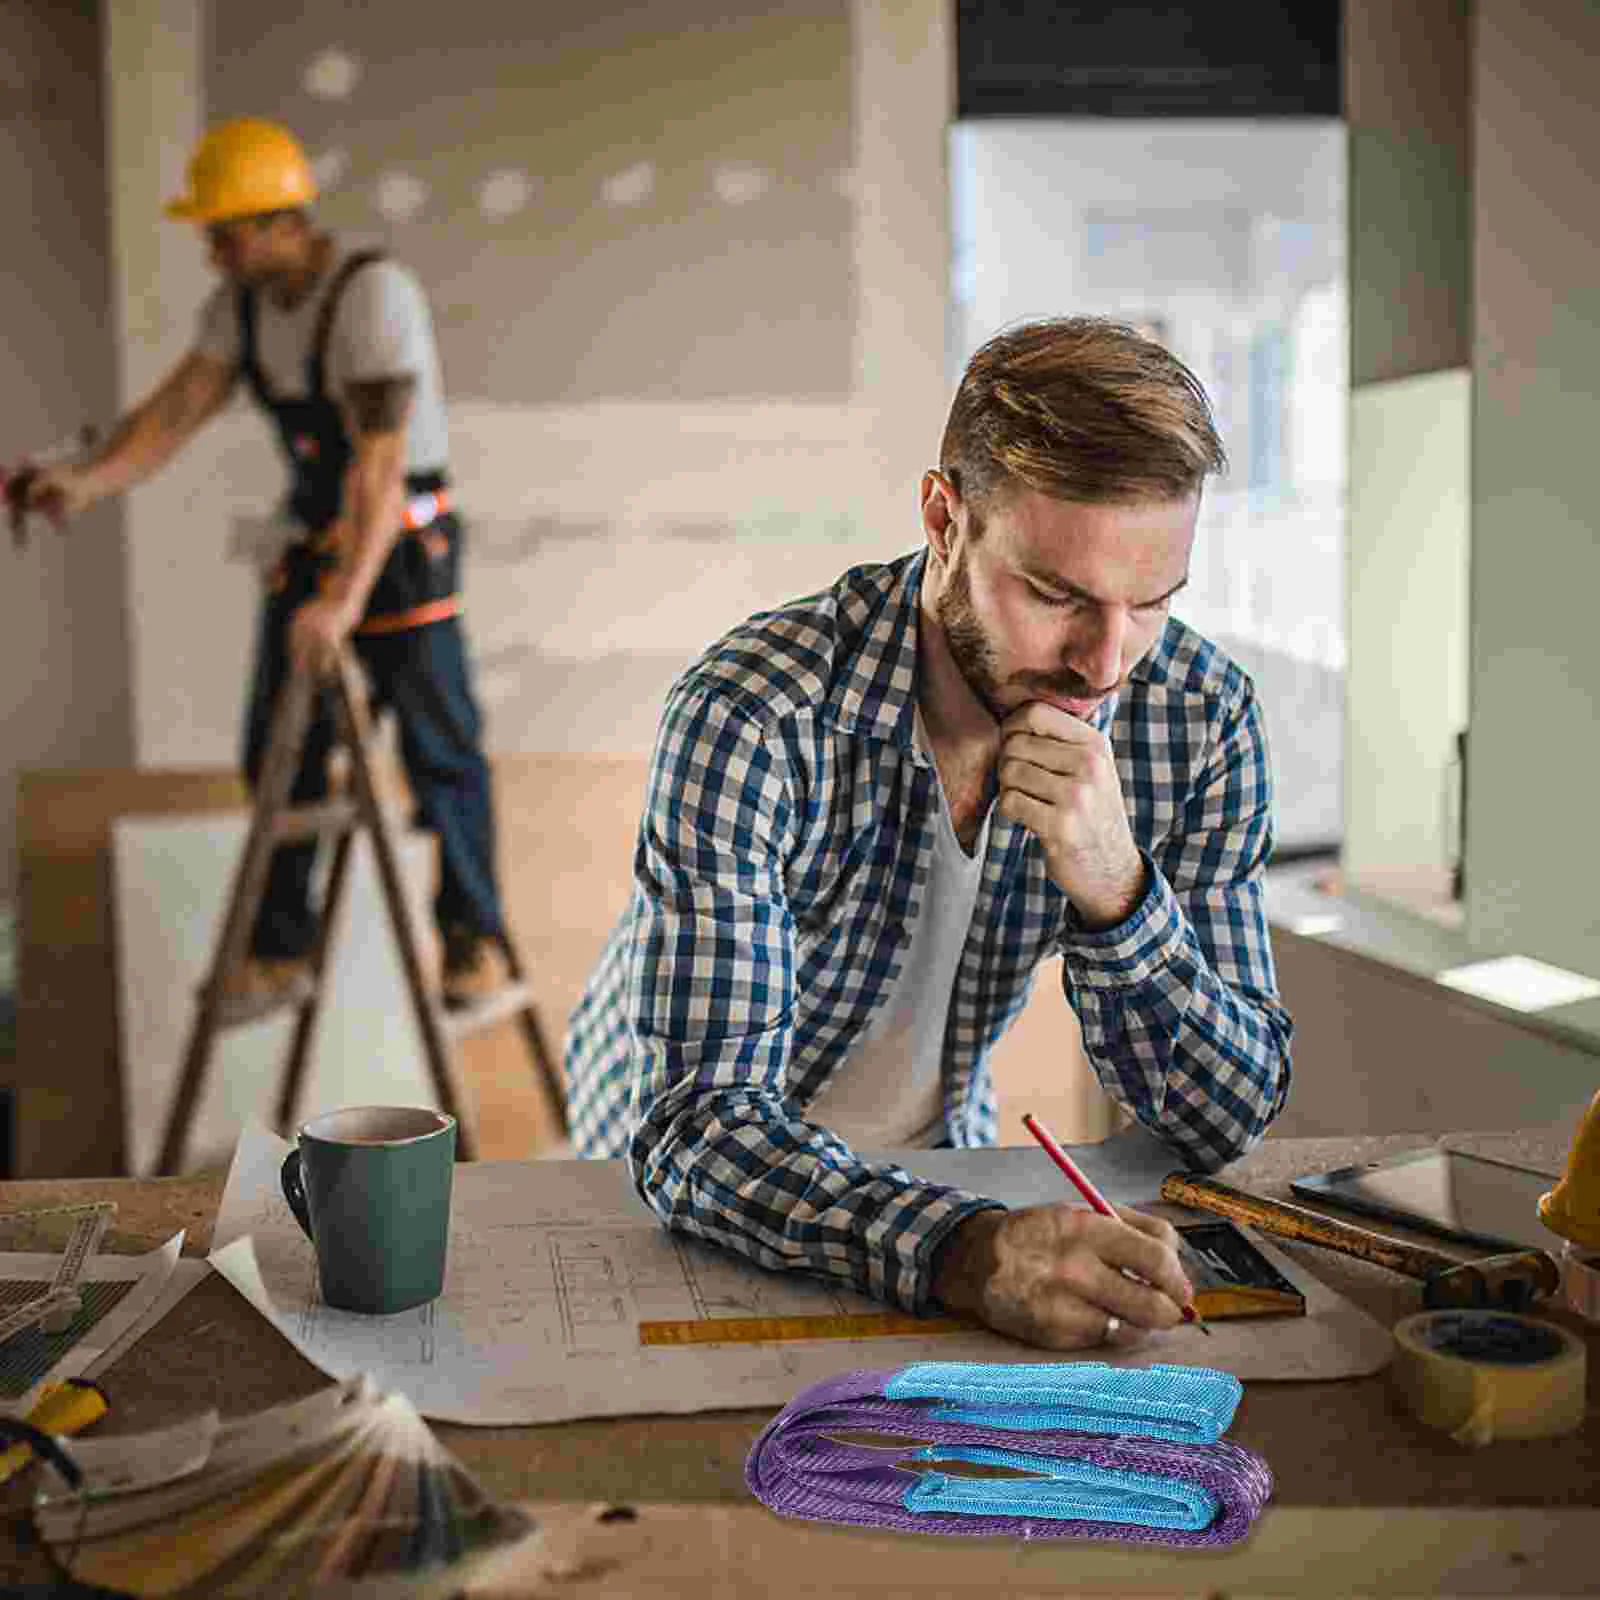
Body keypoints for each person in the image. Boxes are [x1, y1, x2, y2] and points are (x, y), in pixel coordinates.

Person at [565, 316, 1294, 1351]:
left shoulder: (1199, 717)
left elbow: (1228, 1117)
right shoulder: (754, 711)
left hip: (931, 1166)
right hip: (673, 1163)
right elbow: (698, 1131)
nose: (1103, 663)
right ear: (942, 518)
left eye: (1152, 603)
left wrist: (1120, 895)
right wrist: (970, 1251)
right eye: (1054, 596)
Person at [5, 118, 508, 1010]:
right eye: (211, 234)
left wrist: (345, 599)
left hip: (402, 539)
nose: (215, 252)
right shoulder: (238, 309)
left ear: (283, 219)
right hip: (316, 537)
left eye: (227, 233)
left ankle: (473, 941)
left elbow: (381, 465)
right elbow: (171, 415)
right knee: (277, 746)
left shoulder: (370, 295)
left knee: (440, 750)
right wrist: (83, 483)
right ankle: (282, 950)